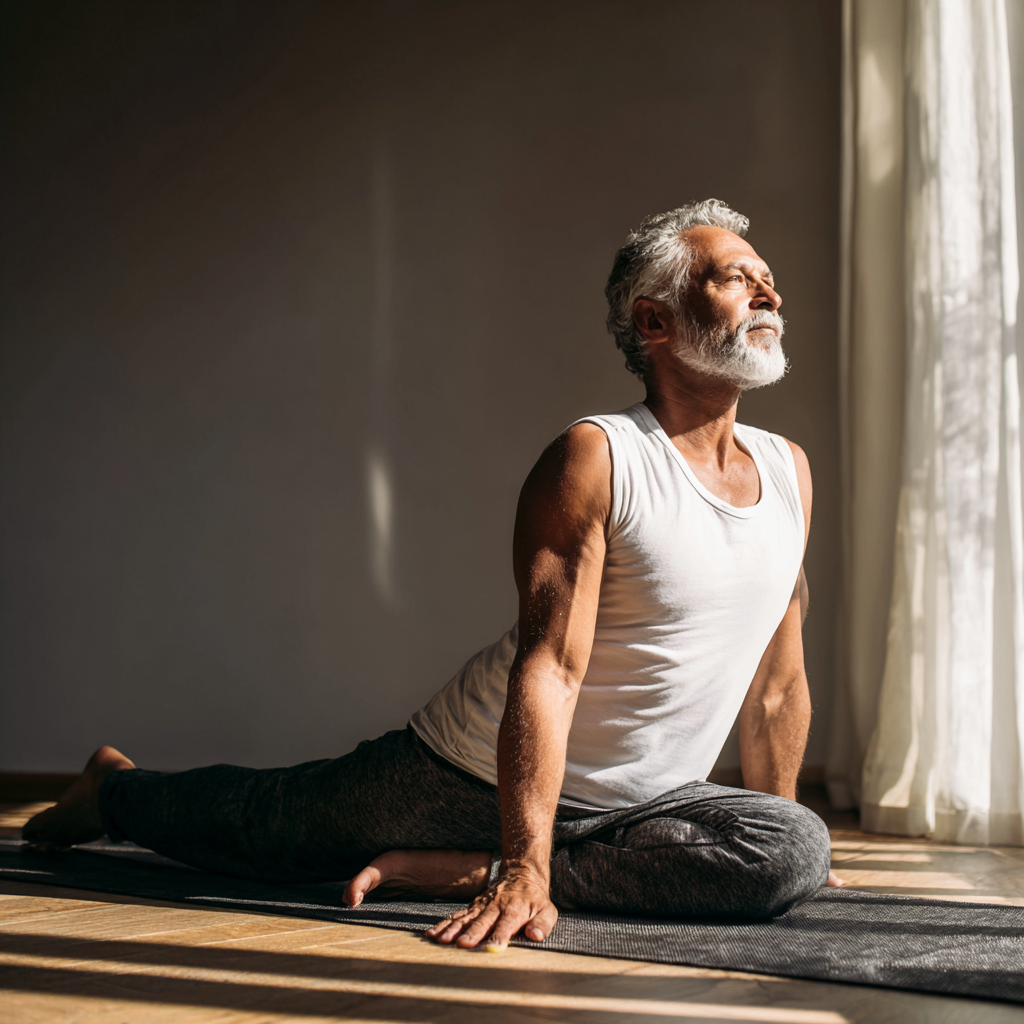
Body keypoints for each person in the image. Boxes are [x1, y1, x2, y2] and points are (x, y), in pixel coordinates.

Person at [25, 199, 839, 952]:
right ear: (654, 320)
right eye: (734, 277)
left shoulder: (787, 470)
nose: (767, 290)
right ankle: (117, 790)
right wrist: (524, 860)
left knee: (791, 850)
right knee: (267, 828)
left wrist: (773, 814)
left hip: (646, 805)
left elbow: (776, 682)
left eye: (767, 277)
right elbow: (549, 668)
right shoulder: (598, 457)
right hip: (473, 773)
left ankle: (451, 866)